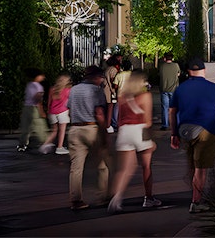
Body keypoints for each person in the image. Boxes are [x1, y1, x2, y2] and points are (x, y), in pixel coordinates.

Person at [169, 57, 215, 214]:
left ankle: (195, 190)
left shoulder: (181, 89)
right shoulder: (213, 88)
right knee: (201, 169)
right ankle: (196, 202)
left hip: (185, 130)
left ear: (189, 72)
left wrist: (174, 133)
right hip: (206, 130)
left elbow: (172, 112)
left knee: (193, 165)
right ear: (204, 71)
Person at [108, 71, 159, 212]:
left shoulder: (123, 97)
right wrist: (151, 139)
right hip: (140, 131)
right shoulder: (145, 96)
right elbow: (147, 121)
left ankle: (116, 199)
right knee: (146, 166)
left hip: (124, 132)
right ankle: (148, 198)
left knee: (125, 169)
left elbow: (118, 119)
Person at [66, 66, 110, 210]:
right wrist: (104, 134)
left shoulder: (74, 89)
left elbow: (69, 109)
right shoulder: (96, 90)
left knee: (76, 167)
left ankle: (76, 200)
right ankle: (103, 196)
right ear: (96, 77)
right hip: (92, 128)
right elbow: (99, 113)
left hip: (74, 128)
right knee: (102, 165)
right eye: (101, 78)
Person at [16, 69, 49, 152]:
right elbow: (37, 99)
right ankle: (45, 143)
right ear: (37, 76)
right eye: (42, 76)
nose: (43, 77)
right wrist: (41, 111)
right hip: (34, 108)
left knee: (25, 127)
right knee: (39, 125)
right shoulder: (38, 86)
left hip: (26, 107)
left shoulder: (29, 85)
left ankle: (22, 144)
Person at [41, 72, 72, 154]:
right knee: (62, 131)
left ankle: (45, 144)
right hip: (63, 112)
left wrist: (48, 111)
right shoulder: (68, 90)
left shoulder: (52, 89)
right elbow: (70, 102)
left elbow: (49, 102)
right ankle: (59, 147)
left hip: (52, 112)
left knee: (54, 131)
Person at [158, 54, 180, 129]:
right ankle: (176, 123)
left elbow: (160, 75)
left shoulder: (162, 66)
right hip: (174, 90)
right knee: (175, 108)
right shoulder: (176, 65)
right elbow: (178, 74)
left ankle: (165, 124)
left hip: (164, 89)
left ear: (165, 59)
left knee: (165, 108)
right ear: (172, 58)